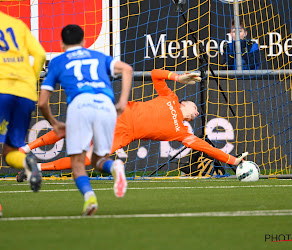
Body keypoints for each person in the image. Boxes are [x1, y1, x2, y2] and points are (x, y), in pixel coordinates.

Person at [18, 69, 248, 178]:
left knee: (89, 159)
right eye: (195, 109)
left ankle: (36, 168)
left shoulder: (181, 133)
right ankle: (25, 149)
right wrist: (178, 77)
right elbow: (156, 73)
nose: (196, 113)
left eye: (197, 113)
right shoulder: (170, 97)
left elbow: (206, 147)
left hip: (124, 135)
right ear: (185, 103)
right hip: (120, 113)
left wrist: (233, 160)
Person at [38, 24, 133, 215]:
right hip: (106, 104)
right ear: (84, 41)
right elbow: (127, 69)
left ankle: (90, 198)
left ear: (62, 44)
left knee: (78, 164)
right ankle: (115, 166)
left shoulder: (57, 61)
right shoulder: (98, 56)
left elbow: (42, 103)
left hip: (80, 105)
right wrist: (122, 101)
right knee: (99, 160)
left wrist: (54, 123)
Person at [0, 11, 46, 192]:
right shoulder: (17, 24)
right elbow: (40, 54)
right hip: (25, 93)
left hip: (2, 90)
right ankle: (27, 160)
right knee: (10, 152)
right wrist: (30, 82)